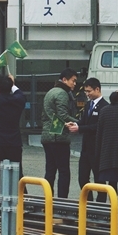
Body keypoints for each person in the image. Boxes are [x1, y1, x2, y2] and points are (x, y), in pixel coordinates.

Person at [41, 69, 80, 198]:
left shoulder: (51, 92)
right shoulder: (62, 94)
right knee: (64, 171)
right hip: (58, 136)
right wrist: (80, 122)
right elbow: (63, 115)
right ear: (64, 80)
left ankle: (48, 199)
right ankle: (62, 201)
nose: (75, 84)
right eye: (73, 80)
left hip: (47, 136)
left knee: (50, 170)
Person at [74, 78, 107, 201]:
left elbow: (98, 126)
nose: (87, 94)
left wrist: (81, 128)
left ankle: (100, 204)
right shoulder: (88, 105)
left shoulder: (105, 107)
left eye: (89, 91)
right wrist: (76, 125)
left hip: (97, 148)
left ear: (97, 89)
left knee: (99, 179)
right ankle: (88, 202)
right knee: (82, 178)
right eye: (86, 91)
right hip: (86, 148)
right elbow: (83, 121)